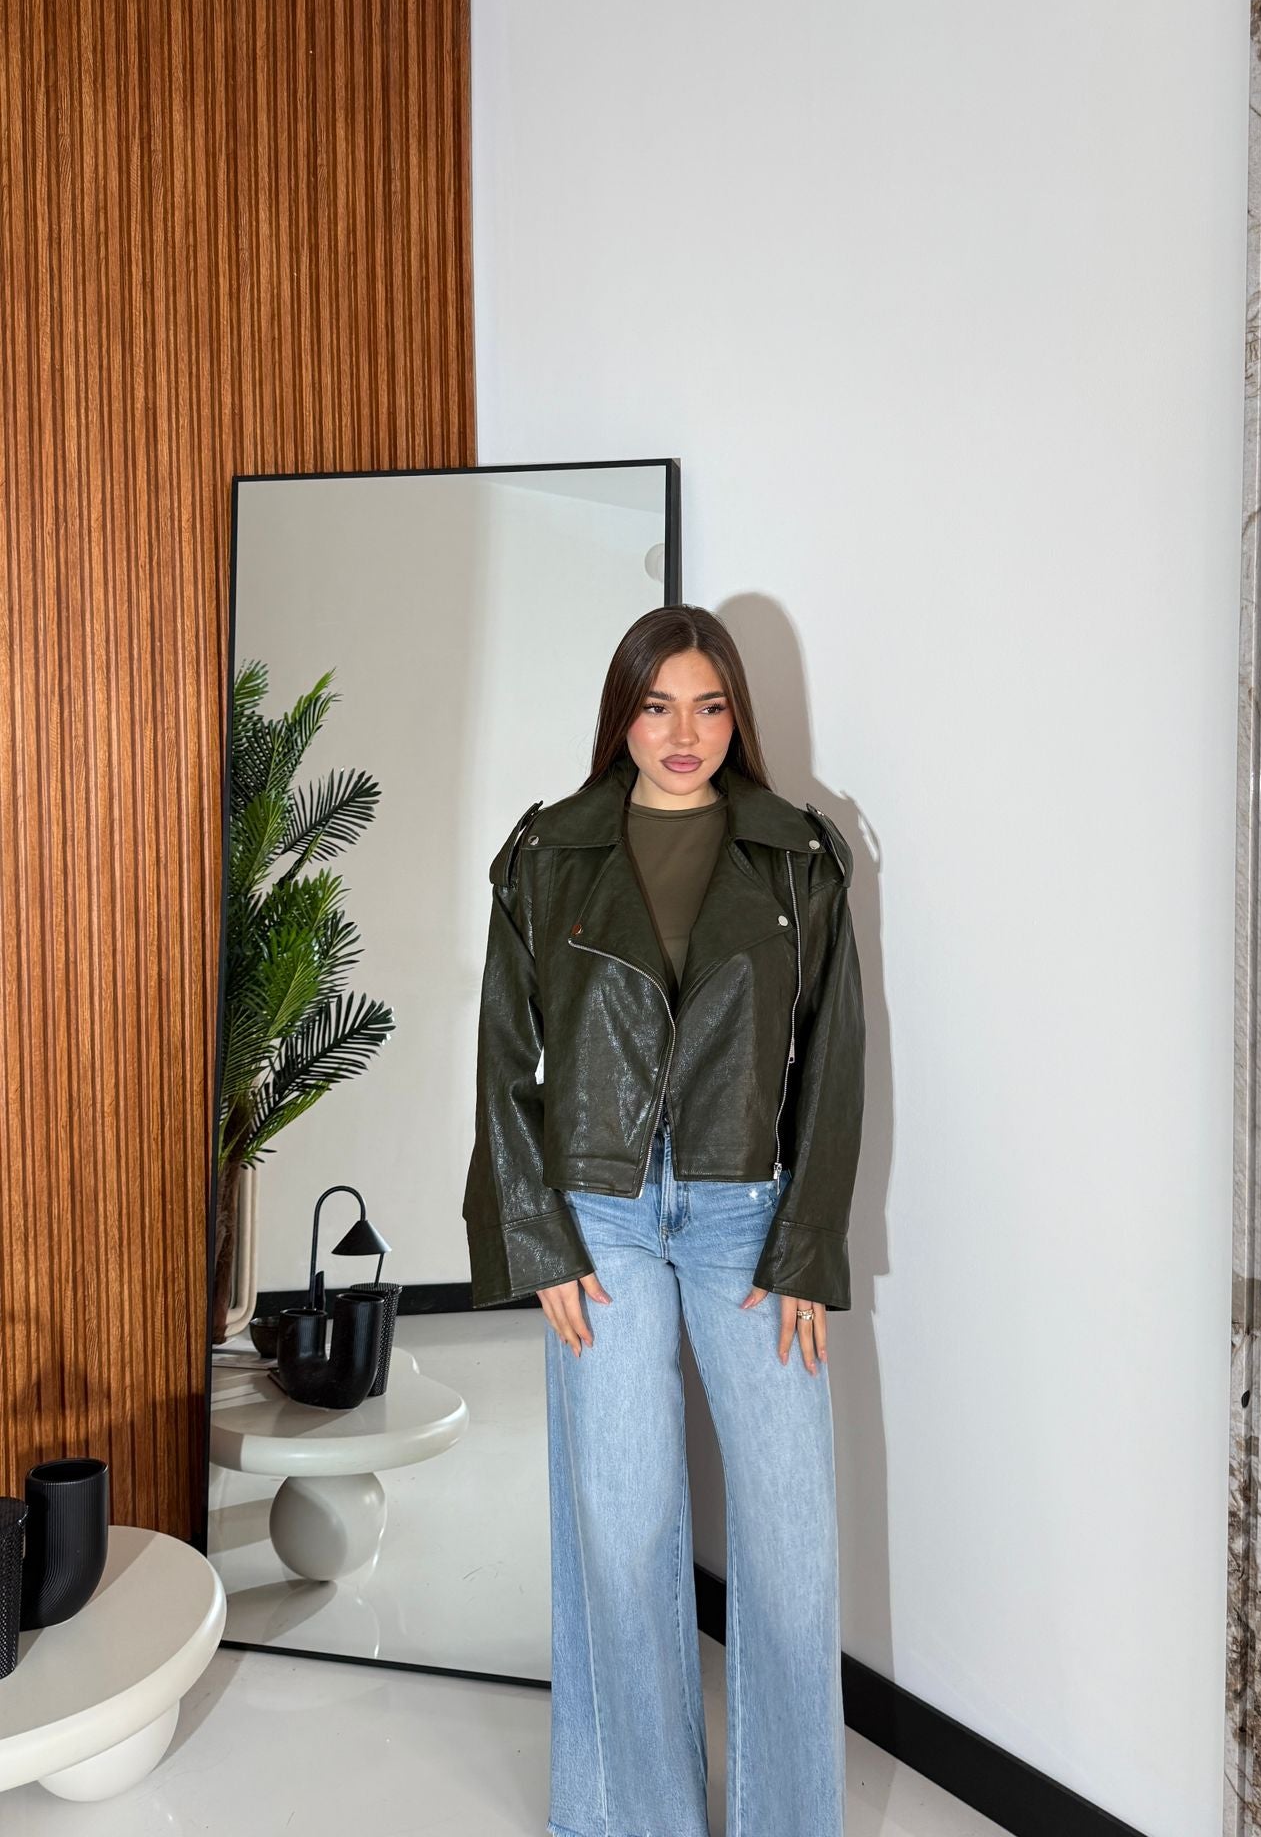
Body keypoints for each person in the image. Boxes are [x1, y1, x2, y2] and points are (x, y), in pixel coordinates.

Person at [463, 604, 866, 1837]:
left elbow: (831, 1059)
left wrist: (806, 1241)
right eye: (655, 704)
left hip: (747, 1216)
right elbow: (504, 1056)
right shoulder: (548, 853)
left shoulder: (797, 856)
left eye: (707, 704)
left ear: (735, 714)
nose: (682, 732)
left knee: (789, 1546)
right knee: (624, 1533)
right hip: (601, 1218)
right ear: (621, 714)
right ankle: (635, 1819)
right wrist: (536, 1233)